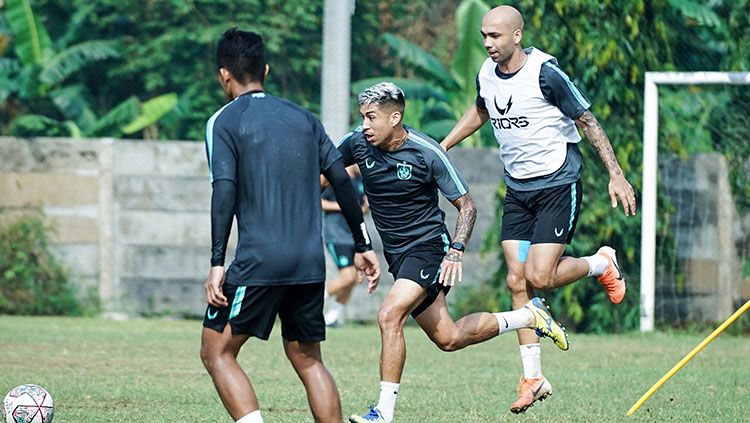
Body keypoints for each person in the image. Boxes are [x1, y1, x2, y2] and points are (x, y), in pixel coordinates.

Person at [440, 5, 637, 414]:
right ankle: (534, 377)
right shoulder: (485, 74)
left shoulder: (545, 73)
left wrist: (615, 174)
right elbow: (481, 109)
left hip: (557, 184)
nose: (487, 44)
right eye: (483, 36)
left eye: (495, 36)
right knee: (517, 280)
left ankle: (602, 263)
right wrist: (443, 146)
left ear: (516, 35)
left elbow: (587, 120)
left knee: (540, 277)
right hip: (518, 189)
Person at [342, 82, 569, 423]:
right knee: (447, 338)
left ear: (395, 117)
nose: (365, 125)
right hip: (399, 256)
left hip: (430, 248)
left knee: (389, 315)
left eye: (372, 118)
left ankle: (383, 413)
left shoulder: (426, 151)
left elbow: (467, 206)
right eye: (362, 117)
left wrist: (456, 251)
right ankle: (527, 317)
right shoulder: (357, 143)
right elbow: (324, 173)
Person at [199, 28, 380, 423]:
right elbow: (342, 179)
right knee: (308, 358)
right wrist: (363, 244)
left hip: (259, 261)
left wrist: (217, 262)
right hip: (308, 263)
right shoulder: (304, 118)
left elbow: (224, 191)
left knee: (217, 352)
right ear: (264, 69)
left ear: (223, 75)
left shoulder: (223, 122)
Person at [321, 168, 368, 327]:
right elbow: (319, 201)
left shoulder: (360, 180)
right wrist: (342, 206)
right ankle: (312, 303)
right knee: (347, 277)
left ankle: (332, 318)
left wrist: (365, 207)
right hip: (336, 235)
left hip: (353, 237)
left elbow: (361, 209)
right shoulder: (336, 178)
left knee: (354, 279)